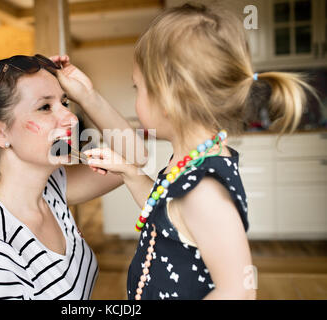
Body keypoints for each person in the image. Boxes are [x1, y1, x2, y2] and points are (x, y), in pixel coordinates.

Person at [59, 3, 316, 299]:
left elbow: (239, 291)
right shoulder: (190, 162)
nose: (135, 99)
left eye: (137, 88)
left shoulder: (204, 191)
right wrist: (131, 174)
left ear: (168, 99)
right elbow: (168, 216)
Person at [0, 54, 145, 300]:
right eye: (45, 107)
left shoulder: (51, 188)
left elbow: (133, 158)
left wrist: (88, 95)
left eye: (66, 103)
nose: (71, 119)